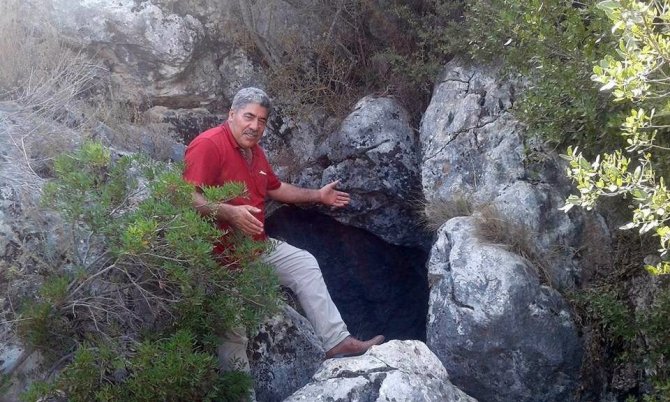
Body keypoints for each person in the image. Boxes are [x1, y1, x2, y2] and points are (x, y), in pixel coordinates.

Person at [183, 87, 384, 375]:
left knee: (303, 263)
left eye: (262, 120)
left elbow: (275, 188)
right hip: (219, 260)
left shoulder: (255, 152)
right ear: (232, 114)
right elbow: (188, 196)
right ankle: (241, 394)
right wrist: (230, 212)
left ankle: (336, 341)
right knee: (233, 335)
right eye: (249, 117)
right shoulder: (209, 145)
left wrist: (318, 195)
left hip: (256, 248)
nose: (255, 126)